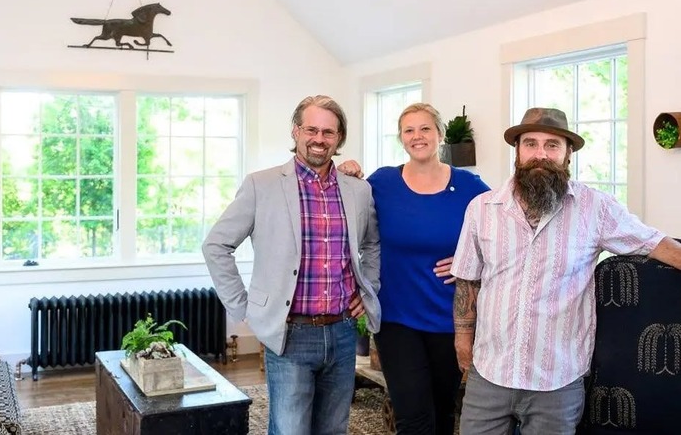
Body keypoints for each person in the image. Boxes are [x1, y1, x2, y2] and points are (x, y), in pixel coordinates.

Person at [450, 107, 681, 434]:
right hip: (490, 372)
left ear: (568, 154)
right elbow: (468, 279)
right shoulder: (482, 208)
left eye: (552, 145)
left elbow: (653, 242)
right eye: (530, 143)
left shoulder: (596, 208)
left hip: (557, 381)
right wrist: (463, 338)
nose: (540, 154)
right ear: (517, 151)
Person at [202, 95, 381, 435]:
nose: (319, 139)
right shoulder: (262, 184)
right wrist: (245, 307)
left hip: (343, 332)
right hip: (290, 334)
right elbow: (216, 245)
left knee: (333, 429)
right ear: (296, 131)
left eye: (329, 132)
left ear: (339, 138)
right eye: (311, 129)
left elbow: (371, 243)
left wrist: (367, 286)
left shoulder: (358, 189)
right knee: (289, 430)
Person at [340, 103, 490, 434]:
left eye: (425, 129)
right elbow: (344, 204)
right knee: (413, 416)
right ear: (401, 138)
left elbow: (503, 237)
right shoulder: (382, 182)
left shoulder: (470, 186)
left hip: (449, 319)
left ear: (439, 135)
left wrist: (473, 263)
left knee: (442, 411)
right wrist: (347, 172)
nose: (417, 136)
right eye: (409, 130)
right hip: (396, 318)